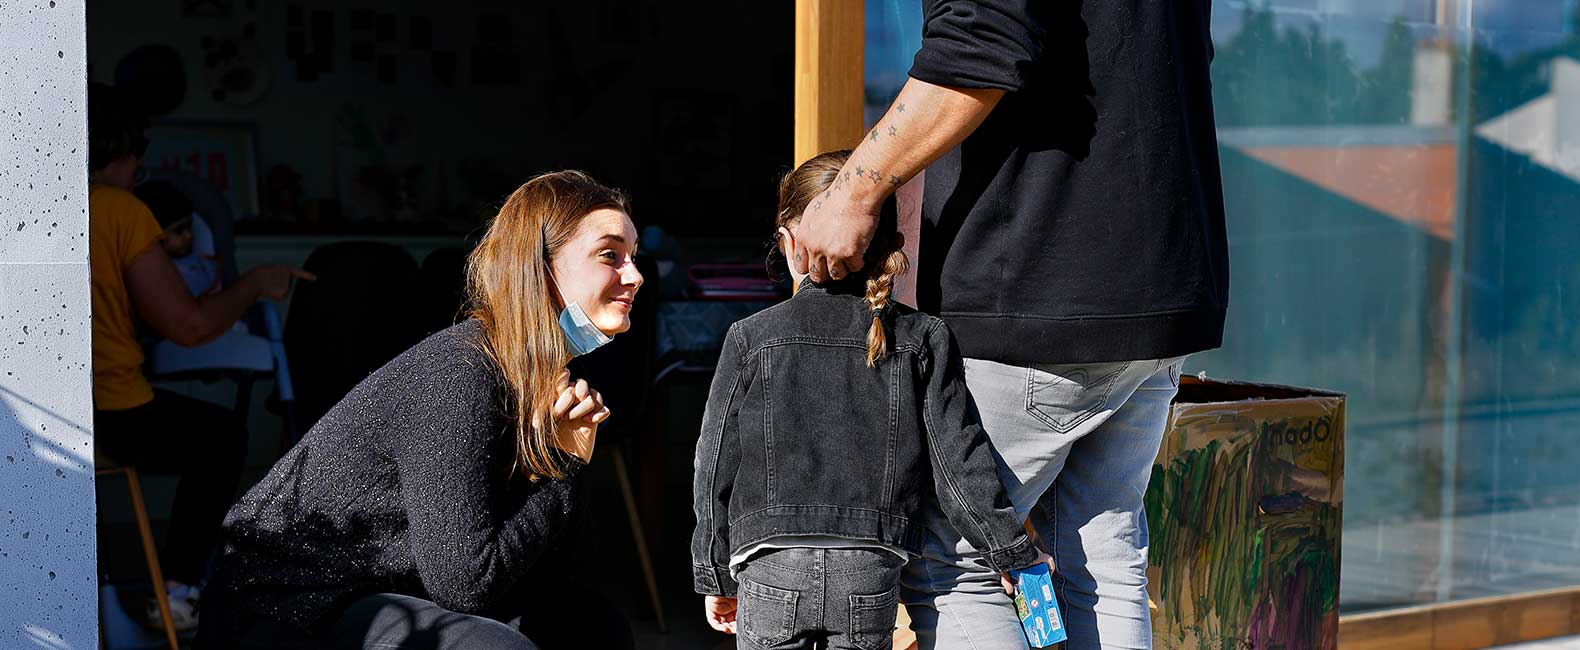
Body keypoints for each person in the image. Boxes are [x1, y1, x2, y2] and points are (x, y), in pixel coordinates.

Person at [787, 2, 1227, 648]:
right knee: (1100, 557)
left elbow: (980, 37)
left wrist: (853, 190)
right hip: (1157, 283)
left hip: (1039, 284)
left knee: (955, 559)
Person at [195, 171, 642, 649]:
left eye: (634, 257)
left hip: (390, 587)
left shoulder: (546, 377)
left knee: (593, 626)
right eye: (609, 255)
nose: (634, 276)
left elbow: (544, 569)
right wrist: (561, 464)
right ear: (539, 268)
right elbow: (466, 585)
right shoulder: (460, 371)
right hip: (288, 605)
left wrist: (559, 463)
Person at [691, 150, 1050, 650]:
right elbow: (959, 464)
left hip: (770, 567)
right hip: (868, 571)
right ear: (890, 243)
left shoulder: (751, 337)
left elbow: (713, 467)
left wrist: (713, 572)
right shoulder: (922, 336)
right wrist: (1011, 552)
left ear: (790, 245)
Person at [86, 83, 312, 632]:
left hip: (60, 409)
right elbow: (188, 326)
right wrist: (256, 282)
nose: (139, 168)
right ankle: (179, 591)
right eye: (137, 153)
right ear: (118, 149)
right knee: (221, 438)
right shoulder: (119, 210)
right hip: (112, 409)